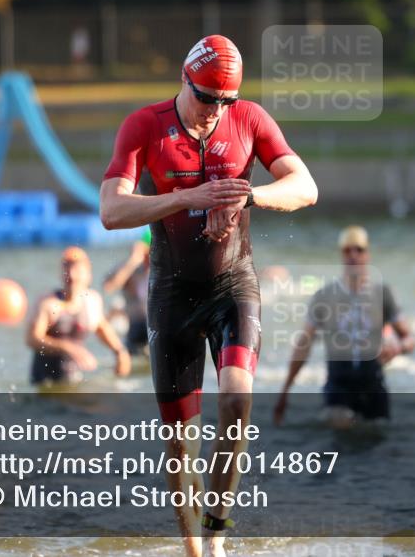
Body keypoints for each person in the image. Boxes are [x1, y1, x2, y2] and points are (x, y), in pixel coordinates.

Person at [99, 35, 318, 557]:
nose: (213, 113)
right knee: (180, 444)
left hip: (232, 285)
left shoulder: (250, 119)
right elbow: (111, 210)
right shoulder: (144, 126)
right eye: (205, 99)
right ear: (184, 78)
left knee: (238, 399)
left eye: (224, 102)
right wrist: (187, 197)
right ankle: (192, 549)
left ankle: (218, 534)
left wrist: (250, 195)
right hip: (172, 292)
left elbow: (305, 186)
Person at [273, 226, 414, 427]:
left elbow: (409, 338)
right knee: (341, 425)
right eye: (348, 250)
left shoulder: (383, 294)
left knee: (378, 439)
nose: (353, 255)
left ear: (368, 254)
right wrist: (284, 392)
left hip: (373, 383)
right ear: (341, 254)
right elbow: (304, 345)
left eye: (359, 250)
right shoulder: (324, 296)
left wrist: (398, 348)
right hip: (338, 385)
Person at [27, 246, 131, 385]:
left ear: (88, 274)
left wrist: (119, 352)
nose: (71, 274)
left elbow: (101, 328)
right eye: (67, 268)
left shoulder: (92, 301)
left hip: (73, 379)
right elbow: (32, 339)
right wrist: (66, 347)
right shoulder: (49, 304)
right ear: (61, 273)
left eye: (76, 269)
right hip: (45, 382)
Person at [102, 229, 152, 356]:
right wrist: (133, 261)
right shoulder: (130, 268)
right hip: (136, 328)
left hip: (156, 325)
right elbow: (109, 287)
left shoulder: (163, 268)